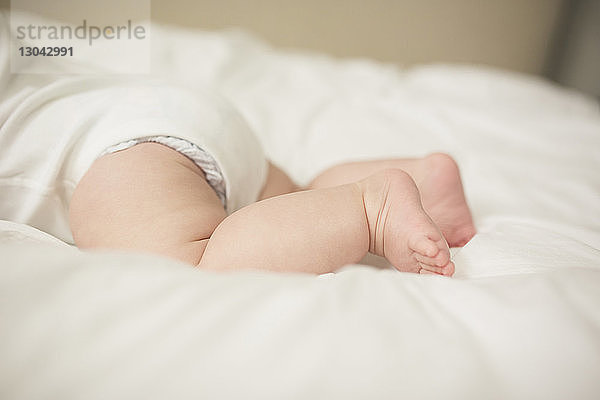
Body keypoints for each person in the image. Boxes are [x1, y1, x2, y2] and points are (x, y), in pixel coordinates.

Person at [67, 83, 476, 277]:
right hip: (182, 109)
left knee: (187, 273)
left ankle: (372, 208)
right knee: (298, 201)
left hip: (128, 145)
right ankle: (425, 177)